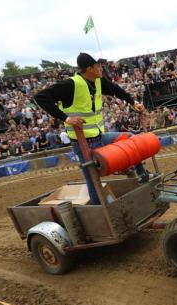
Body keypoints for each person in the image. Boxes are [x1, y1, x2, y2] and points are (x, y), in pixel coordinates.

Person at [34, 52, 150, 204]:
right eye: (98, 66)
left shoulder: (98, 81)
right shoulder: (71, 84)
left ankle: (141, 174)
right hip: (82, 143)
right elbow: (40, 97)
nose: (101, 68)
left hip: (100, 136)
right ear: (89, 68)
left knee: (129, 138)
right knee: (93, 178)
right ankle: (99, 210)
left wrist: (133, 102)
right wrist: (67, 118)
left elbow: (116, 90)